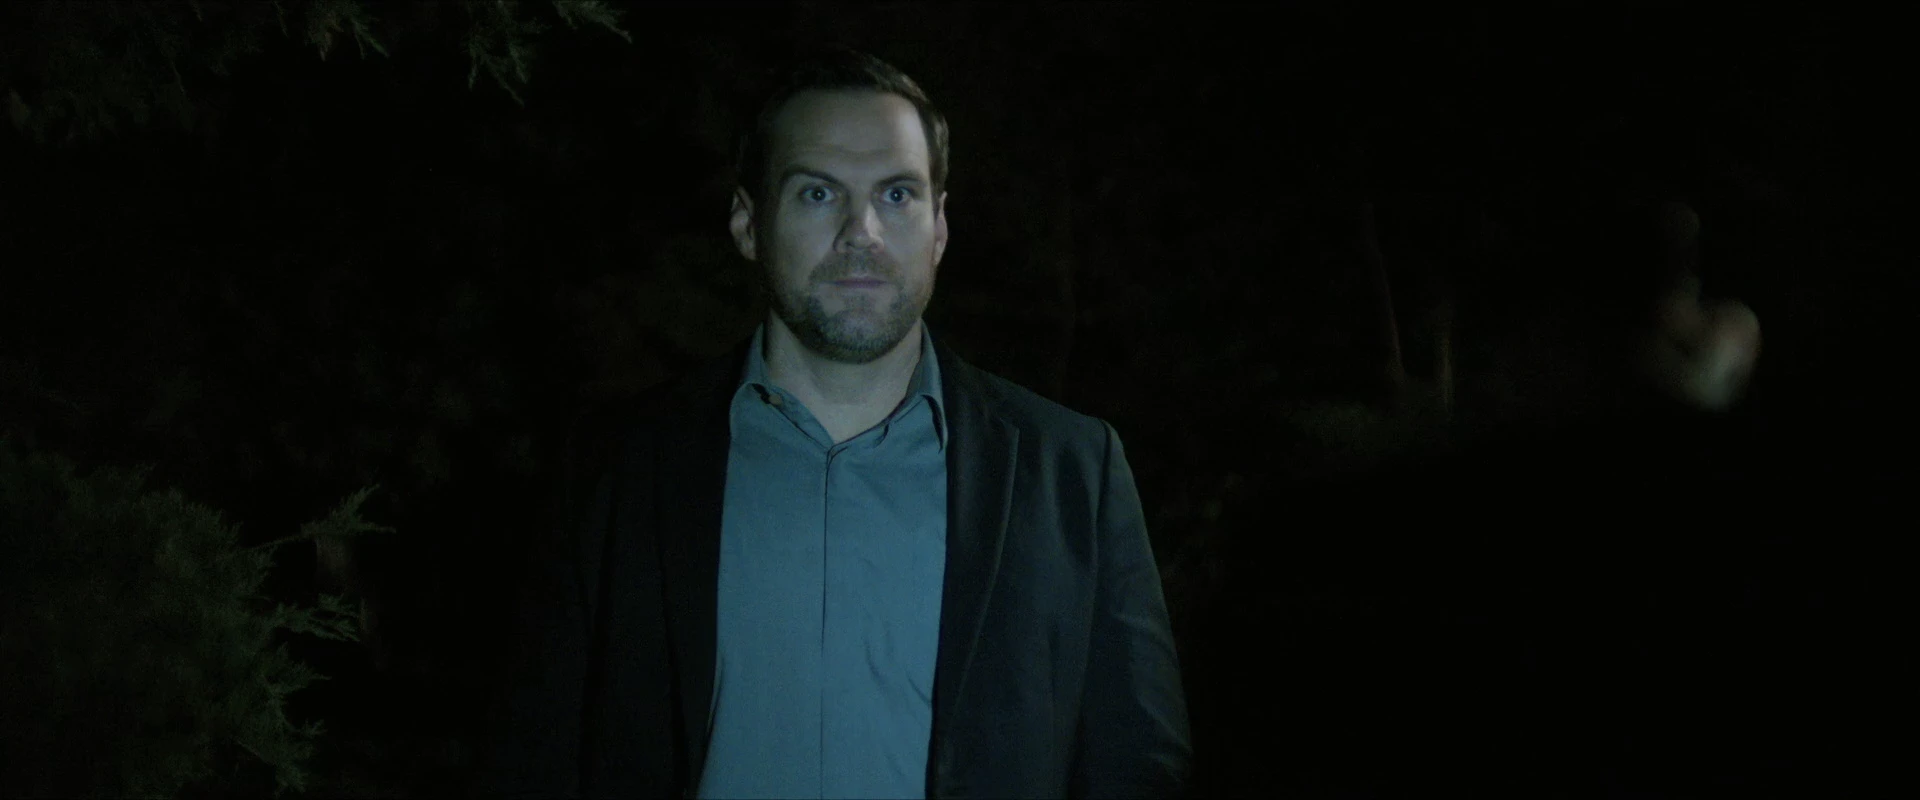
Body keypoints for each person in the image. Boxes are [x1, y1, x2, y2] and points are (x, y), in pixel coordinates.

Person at [474, 47, 1191, 799]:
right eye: (818, 194)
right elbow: (532, 759)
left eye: (897, 195)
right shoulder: (616, 468)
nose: (862, 232)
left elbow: (1138, 769)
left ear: (940, 226)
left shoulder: (1073, 471)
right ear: (748, 223)